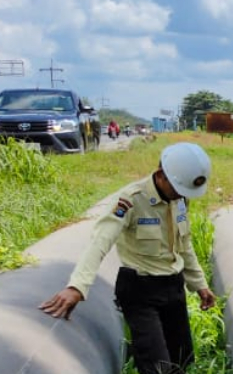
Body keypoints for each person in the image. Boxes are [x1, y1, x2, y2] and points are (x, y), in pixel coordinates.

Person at [39, 142, 216, 374]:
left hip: (173, 287)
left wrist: (199, 284)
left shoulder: (179, 199)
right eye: (179, 189)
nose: (182, 195)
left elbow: (184, 245)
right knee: (156, 367)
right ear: (162, 175)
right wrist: (77, 286)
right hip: (140, 291)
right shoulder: (130, 200)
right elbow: (99, 243)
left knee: (181, 360)